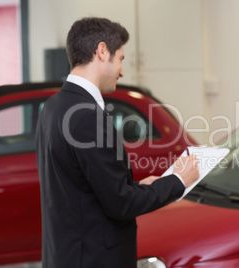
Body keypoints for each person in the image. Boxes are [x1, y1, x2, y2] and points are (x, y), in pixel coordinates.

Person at [35, 17, 199, 268]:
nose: (122, 71)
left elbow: (85, 187)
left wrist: (136, 187)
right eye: (121, 58)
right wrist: (177, 182)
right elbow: (121, 204)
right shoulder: (86, 115)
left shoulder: (54, 106)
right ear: (102, 51)